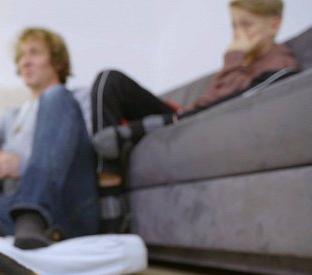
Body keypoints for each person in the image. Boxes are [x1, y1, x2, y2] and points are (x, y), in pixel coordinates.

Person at [90, 0, 299, 232]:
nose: (238, 35)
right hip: (185, 115)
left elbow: (228, 107)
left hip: (195, 120)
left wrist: (234, 58)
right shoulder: (242, 62)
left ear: (274, 25)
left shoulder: (280, 68)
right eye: (234, 27)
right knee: (109, 80)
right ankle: (109, 181)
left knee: (109, 122)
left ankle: (111, 222)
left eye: (247, 25)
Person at [0, 28, 99, 249]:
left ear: (57, 62)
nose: (25, 62)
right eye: (21, 56)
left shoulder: (80, 99)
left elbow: (94, 150)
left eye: (34, 53)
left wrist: (23, 164)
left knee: (55, 96)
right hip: (16, 207)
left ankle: (29, 217)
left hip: (71, 204)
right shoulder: (12, 116)